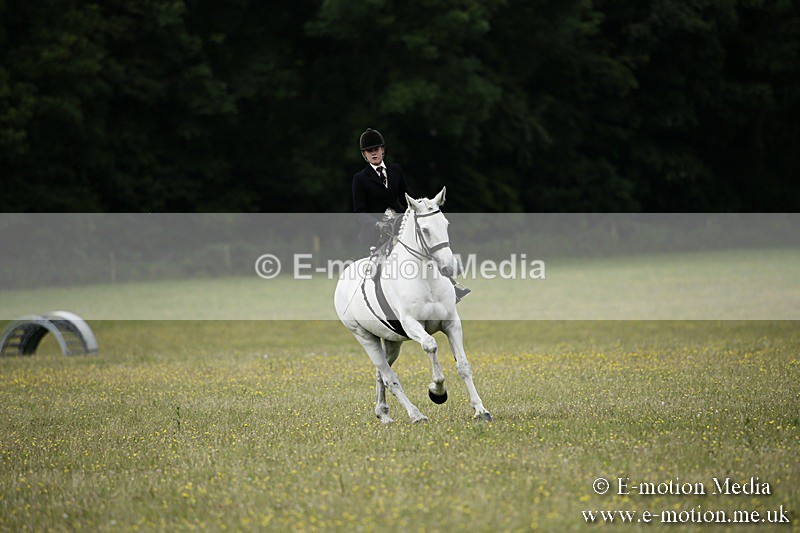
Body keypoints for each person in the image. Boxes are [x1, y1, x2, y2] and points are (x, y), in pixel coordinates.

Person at [352, 128, 470, 302]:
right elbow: (360, 212)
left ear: (382, 150)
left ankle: (452, 286)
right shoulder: (360, 178)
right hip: (377, 230)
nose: (373, 153)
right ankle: (374, 298)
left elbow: (406, 198)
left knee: (427, 246)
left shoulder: (395, 170)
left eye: (376, 149)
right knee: (377, 267)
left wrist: (419, 211)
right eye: (369, 151)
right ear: (364, 155)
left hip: (399, 223)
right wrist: (377, 224)